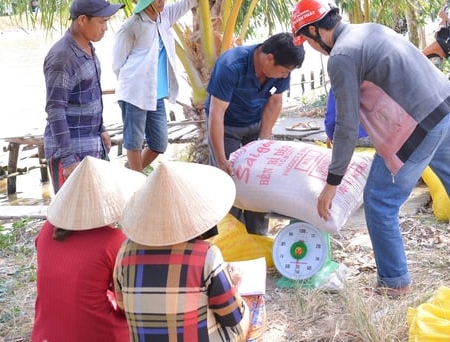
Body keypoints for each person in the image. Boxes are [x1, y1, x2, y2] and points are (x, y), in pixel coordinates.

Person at [290, 0, 450, 297]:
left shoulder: (342, 56)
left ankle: (394, 283)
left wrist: (332, 182)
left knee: (379, 201)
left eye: (307, 41)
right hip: (449, 108)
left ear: (314, 32)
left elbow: (347, 125)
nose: (311, 48)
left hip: (420, 127)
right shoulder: (370, 29)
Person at [114, 161, 261, 341]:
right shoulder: (206, 255)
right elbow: (232, 316)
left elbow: (122, 307)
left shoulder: (125, 252)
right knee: (251, 307)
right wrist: (235, 284)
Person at [32, 156, 146, 341]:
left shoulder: (47, 229)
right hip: (95, 334)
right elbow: (129, 298)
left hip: (46, 334)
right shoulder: (113, 241)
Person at [205, 32, 305, 235]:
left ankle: (257, 236)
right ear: (269, 58)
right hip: (227, 126)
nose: (286, 76)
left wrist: (263, 142)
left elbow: (274, 102)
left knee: (261, 180)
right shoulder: (231, 66)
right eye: (284, 72)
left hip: (256, 123)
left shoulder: (280, 71)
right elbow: (217, 114)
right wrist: (220, 157)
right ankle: (228, 237)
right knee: (227, 182)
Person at [112, 0, 198, 173]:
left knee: (159, 143)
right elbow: (117, 64)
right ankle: (136, 180)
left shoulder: (164, 16)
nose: (162, 0)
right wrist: (134, 83)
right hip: (135, 93)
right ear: (147, 0)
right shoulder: (132, 26)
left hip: (156, 94)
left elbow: (189, 1)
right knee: (134, 141)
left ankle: (131, 172)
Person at [43, 0, 124, 193]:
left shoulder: (87, 47)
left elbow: (89, 95)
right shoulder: (62, 58)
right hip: (72, 154)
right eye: (102, 21)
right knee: (73, 221)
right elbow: (55, 110)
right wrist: (69, 161)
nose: (106, 28)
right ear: (82, 20)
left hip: (92, 145)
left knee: (100, 213)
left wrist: (101, 128)